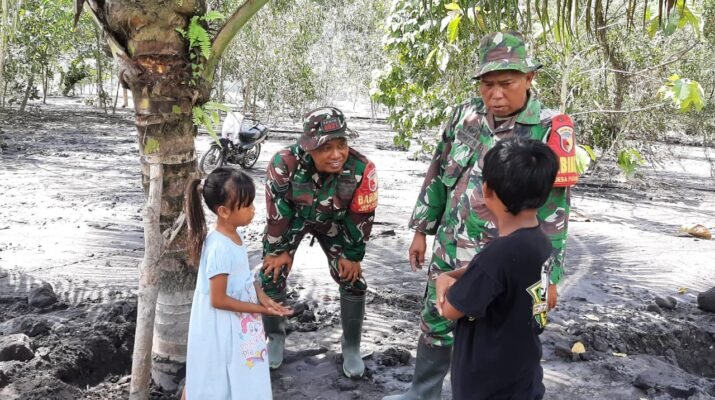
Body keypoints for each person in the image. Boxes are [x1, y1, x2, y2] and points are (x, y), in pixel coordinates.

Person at [383, 31, 577, 400]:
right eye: (488, 84)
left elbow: (556, 208)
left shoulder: (549, 127)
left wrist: (550, 276)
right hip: (450, 243)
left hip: (501, 256)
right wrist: (421, 229)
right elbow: (438, 171)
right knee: (435, 318)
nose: (496, 94)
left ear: (529, 78)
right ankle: (422, 392)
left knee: (492, 331)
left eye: (507, 83)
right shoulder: (465, 115)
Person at [435, 137, 559, 400]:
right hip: (524, 376)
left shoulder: (498, 255)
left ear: (487, 190)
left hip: (488, 384)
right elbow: (498, 275)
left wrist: (442, 282)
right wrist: (453, 274)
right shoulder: (541, 241)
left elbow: (450, 309)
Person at [260, 106, 378, 378]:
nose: (336, 155)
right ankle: (274, 338)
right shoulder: (284, 163)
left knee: (353, 278)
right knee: (271, 272)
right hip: (293, 220)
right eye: (326, 148)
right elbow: (278, 212)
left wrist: (352, 254)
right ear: (309, 147)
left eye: (341, 145)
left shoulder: (362, 169)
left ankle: (351, 347)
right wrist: (278, 250)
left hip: (337, 223)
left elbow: (362, 215)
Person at [183, 167, 292, 400]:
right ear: (224, 211)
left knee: (240, 372)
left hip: (241, 324)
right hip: (224, 328)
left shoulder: (234, 235)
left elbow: (244, 277)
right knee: (217, 376)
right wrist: (260, 310)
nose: (253, 209)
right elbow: (218, 300)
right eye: (247, 205)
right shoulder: (219, 248)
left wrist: (262, 297)